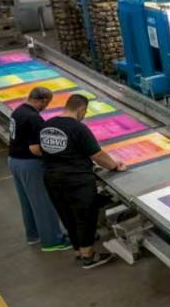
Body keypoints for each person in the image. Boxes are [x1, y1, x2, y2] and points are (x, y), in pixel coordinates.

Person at [39, 93, 126, 268]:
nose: (84, 116)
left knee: (67, 216)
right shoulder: (78, 128)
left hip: (52, 179)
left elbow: (42, 150)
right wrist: (114, 166)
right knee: (85, 217)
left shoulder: (47, 125)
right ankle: (89, 256)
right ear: (81, 109)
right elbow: (97, 155)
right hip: (76, 180)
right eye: (85, 112)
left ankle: (78, 251)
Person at [7, 86, 70, 252]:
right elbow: (35, 148)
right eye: (47, 104)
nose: (46, 107)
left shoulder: (18, 111)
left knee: (27, 201)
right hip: (30, 164)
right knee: (43, 202)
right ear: (43, 100)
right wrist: (58, 156)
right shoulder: (34, 118)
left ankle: (33, 235)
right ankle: (53, 241)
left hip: (14, 161)